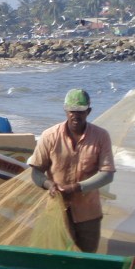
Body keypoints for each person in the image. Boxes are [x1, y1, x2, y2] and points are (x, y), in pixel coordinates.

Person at [29, 89, 115, 253]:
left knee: (86, 259)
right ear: (65, 110)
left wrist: (77, 187)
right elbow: (36, 171)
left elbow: (107, 174)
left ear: (88, 111)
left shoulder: (101, 136)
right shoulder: (49, 136)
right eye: (72, 110)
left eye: (81, 111)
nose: (76, 115)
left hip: (88, 214)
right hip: (56, 212)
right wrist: (49, 185)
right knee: (58, 258)